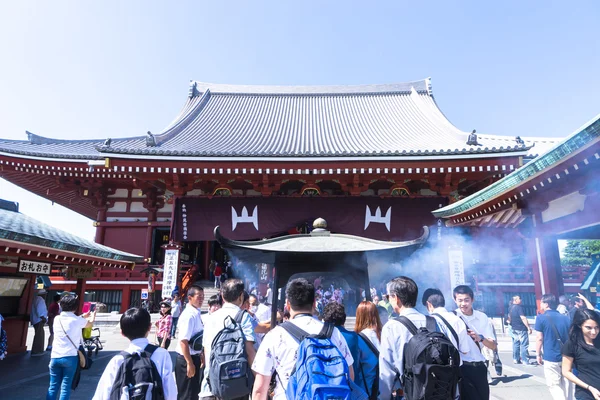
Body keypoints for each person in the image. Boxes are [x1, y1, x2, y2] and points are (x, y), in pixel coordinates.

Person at [251, 278, 354, 400]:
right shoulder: (333, 332)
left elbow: (259, 390)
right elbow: (350, 375)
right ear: (314, 303)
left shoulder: (275, 335)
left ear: (288, 304)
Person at [92, 308, 177, 399]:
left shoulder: (118, 360)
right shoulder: (161, 354)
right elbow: (170, 390)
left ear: (122, 333)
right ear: (149, 327)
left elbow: (103, 393)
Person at [200, 279, 256, 399]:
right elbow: (250, 351)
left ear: (222, 296)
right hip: (236, 386)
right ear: (241, 296)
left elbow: (206, 351)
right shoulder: (243, 317)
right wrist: (259, 379)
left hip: (211, 386)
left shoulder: (210, 318)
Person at [379, 276, 431, 399]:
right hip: (438, 391)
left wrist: (384, 397)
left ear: (395, 298)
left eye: (388, 297)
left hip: (409, 393)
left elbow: (387, 370)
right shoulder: (434, 321)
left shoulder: (392, 326)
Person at [324, 301, 378, 399]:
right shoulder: (354, 337)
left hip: (327, 389)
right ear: (344, 319)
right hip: (353, 390)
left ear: (324, 320)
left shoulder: (320, 339)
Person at [47, 294, 95, 400]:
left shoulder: (57, 319)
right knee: (65, 388)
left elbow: (71, 320)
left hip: (55, 357)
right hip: (70, 357)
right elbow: (89, 324)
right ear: (75, 307)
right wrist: (93, 315)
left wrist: (82, 316)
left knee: (52, 387)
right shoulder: (76, 320)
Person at [453, 285, 497, 400]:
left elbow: (493, 346)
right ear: (455, 300)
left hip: (480, 368)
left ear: (472, 299)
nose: (463, 304)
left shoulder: (482, 317)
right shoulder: (452, 318)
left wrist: (480, 338)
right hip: (462, 369)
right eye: (460, 300)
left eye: (466, 300)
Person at [535, 293, 574, 400]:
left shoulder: (541, 318)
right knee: (568, 384)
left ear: (546, 304)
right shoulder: (566, 318)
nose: (540, 304)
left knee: (554, 384)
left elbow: (539, 338)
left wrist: (538, 354)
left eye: (542, 302)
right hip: (567, 356)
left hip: (551, 356)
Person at [562, 309, 600, 400]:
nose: (594, 332)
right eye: (589, 328)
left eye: (597, 327)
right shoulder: (572, 344)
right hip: (586, 393)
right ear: (579, 326)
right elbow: (566, 371)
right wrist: (589, 388)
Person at [175, 285, 204, 400]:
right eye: (199, 296)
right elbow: (183, 341)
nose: (201, 299)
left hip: (194, 356)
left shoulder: (196, 312)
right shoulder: (188, 316)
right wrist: (189, 363)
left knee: (194, 392)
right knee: (187, 394)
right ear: (190, 297)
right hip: (186, 358)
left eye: (203, 296)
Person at [422, 288, 470, 358]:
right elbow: (464, 351)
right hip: (455, 366)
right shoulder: (457, 320)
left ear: (428, 304)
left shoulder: (426, 321)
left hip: (434, 367)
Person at [509, 295, 534, 364]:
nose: (521, 300)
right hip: (521, 328)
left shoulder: (510, 307)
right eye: (519, 298)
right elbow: (523, 317)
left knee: (516, 344)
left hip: (514, 328)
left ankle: (516, 359)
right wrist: (528, 327)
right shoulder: (519, 308)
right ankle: (525, 360)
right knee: (524, 344)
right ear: (515, 300)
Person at [31, 289, 49, 356]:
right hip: (39, 320)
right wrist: (43, 318)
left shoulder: (36, 299)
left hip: (36, 319)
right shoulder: (40, 300)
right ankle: (36, 351)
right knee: (39, 336)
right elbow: (39, 310)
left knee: (39, 335)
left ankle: (38, 350)